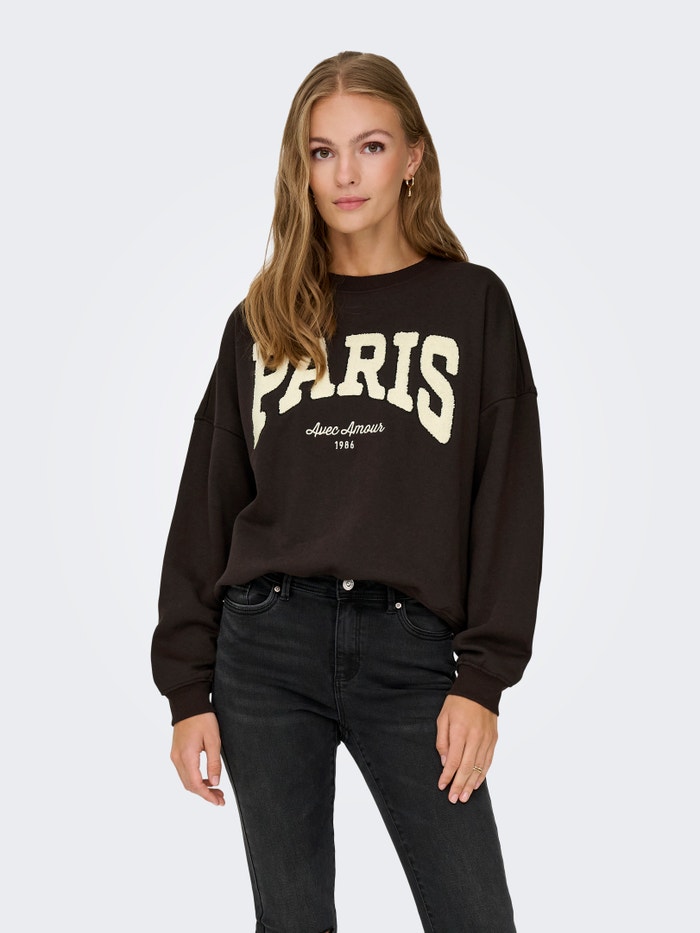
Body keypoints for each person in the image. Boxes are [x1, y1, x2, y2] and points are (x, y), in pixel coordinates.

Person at [152, 50, 545, 933]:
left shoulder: (471, 304)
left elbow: (510, 501)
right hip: (264, 647)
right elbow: (207, 503)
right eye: (322, 152)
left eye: (370, 146)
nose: (345, 174)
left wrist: (484, 679)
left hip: (412, 652)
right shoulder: (262, 317)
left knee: (475, 915)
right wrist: (188, 691)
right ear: (300, 168)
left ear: (412, 156)